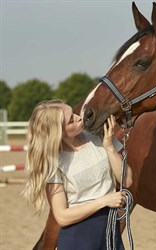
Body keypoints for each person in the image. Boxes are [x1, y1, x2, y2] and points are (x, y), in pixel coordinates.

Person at [23, 99, 133, 250]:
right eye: (71, 121)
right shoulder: (54, 162)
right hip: (78, 240)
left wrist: (109, 148)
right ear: (59, 132)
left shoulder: (100, 137)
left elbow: (127, 180)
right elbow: (62, 216)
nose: (79, 117)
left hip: (111, 234)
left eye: (73, 113)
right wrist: (103, 201)